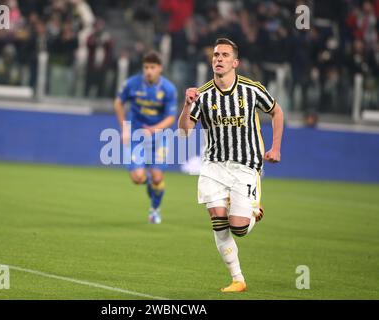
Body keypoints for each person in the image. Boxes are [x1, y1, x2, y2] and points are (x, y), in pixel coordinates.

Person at [178, 38, 284, 292]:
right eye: (216, 55)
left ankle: (253, 212)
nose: (219, 59)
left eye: (225, 55)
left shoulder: (252, 89)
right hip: (213, 166)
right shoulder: (201, 95)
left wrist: (276, 147)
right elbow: (183, 132)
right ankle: (238, 279)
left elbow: (277, 112)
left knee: (238, 228)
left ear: (235, 62)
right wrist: (186, 105)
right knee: (217, 219)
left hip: (245, 166)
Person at [114, 51, 178, 224]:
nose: (148, 71)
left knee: (158, 177)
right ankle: (148, 181)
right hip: (136, 134)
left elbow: (171, 117)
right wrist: (125, 129)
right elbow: (118, 102)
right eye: (146, 67)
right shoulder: (132, 84)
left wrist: (154, 129)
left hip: (159, 135)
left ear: (160, 69)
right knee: (137, 179)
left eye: (152, 67)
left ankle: (154, 210)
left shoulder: (169, 89)